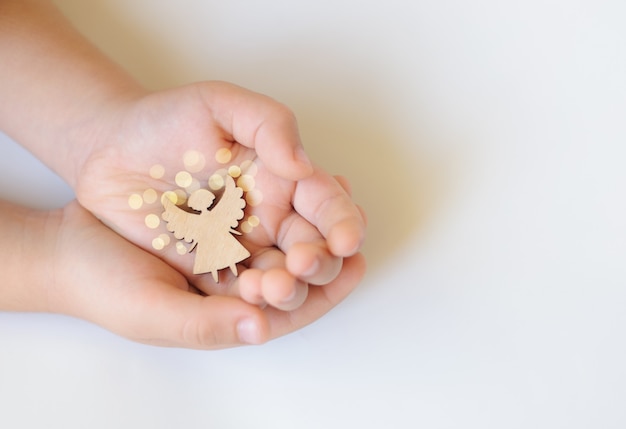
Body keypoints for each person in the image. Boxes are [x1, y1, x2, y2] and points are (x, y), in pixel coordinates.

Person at [0, 0, 366, 349]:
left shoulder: (214, 205)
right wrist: (51, 266)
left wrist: (99, 132)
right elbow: (199, 209)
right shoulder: (199, 212)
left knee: (233, 261)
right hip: (208, 242)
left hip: (213, 236)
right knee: (229, 263)